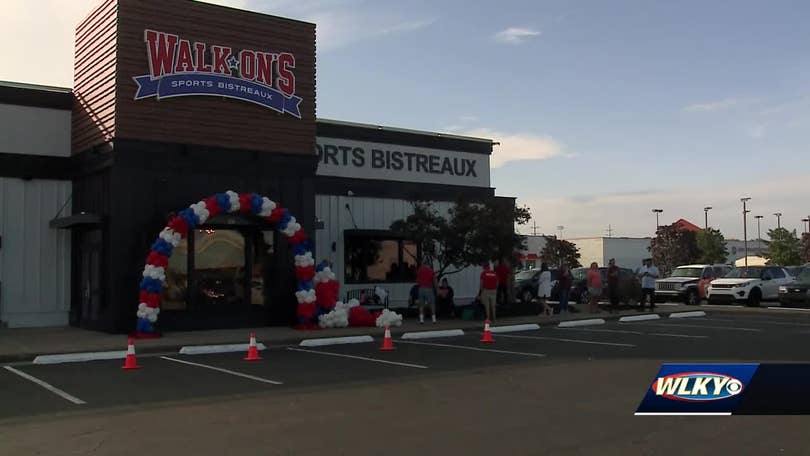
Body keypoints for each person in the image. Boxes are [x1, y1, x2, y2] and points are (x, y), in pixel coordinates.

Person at [416, 258, 437, 323]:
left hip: (421, 288)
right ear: (428, 264)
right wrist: (436, 288)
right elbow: (434, 280)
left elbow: (417, 281)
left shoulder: (420, 271)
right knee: (432, 304)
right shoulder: (431, 271)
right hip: (428, 288)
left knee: (421, 305)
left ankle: (421, 319)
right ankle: (434, 319)